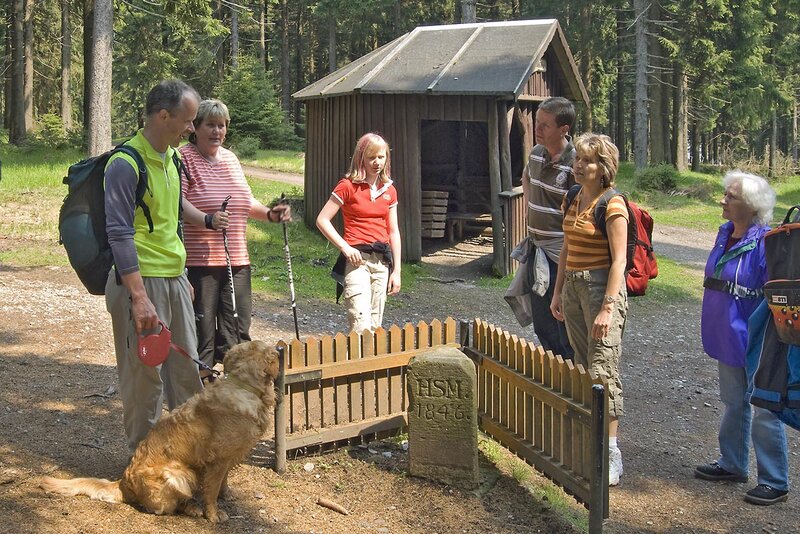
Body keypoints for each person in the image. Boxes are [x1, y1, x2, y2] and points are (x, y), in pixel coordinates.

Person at [104, 79, 204, 453]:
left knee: (186, 373)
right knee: (145, 378)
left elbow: (171, 221)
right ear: (164, 116)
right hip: (139, 283)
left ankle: (190, 457)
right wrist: (139, 297)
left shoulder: (173, 158)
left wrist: (182, 277)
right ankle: (142, 465)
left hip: (173, 279)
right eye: (188, 120)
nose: (192, 129)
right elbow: (119, 234)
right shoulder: (125, 163)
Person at [693, 171, 789, 506]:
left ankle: (774, 480)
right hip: (726, 333)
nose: (723, 200)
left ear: (751, 205)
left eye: (730, 196)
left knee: (762, 405)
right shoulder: (724, 233)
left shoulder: (765, 242)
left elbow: (772, 294)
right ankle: (732, 463)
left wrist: (762, 334)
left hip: (756, 336)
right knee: (733, 401)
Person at [178, 99, 291, 383]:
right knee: (202, 330)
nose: (217, 131)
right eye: (211, 125)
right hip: (199, 260)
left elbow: (245, 201)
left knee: (237, 327)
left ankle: (237, 384)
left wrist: (270, 215)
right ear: (196, 128)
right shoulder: (185, 158)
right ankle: (201, 388)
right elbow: (176, 203)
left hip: (237, 259)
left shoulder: (230, 159)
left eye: (222, 125)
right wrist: (208, 219)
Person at [549, 133, 628, 486]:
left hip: (601, 291)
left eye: (587, 161)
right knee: (582, 365)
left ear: (603, 168)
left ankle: (611, 451)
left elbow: (620, 260)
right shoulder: (573, 197)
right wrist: (558, 289)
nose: (578, 166)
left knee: (603, 369)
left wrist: (608, 308)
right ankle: (588, 444)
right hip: (574, 289)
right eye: (578, 159)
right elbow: (566, 247)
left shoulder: (613, 205)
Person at [316, 132, 401, 333]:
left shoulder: (390, 190)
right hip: (357, 262)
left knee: (375, 326)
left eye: (381, 157)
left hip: (382, 263)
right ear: (360, 157)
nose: (376, 162)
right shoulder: (347, 186)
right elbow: (322, 220)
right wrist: (345, 248)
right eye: (371, 157)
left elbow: (394, 232)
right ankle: (354, 362)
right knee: (360, 322)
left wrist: (397, 271)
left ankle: (368, 364)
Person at [513, 96, 576, 360]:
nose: (537, 129)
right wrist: (533, 205)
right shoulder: (536, 154)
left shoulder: (576, 164)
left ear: (563, 129)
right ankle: (552, 376)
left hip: (561, 256)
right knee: (541, 322)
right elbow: (526, 177)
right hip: (537, 249)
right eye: (536, 123)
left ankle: (570, 376)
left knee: (562, 321)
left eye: (545, 125)